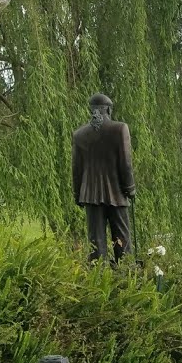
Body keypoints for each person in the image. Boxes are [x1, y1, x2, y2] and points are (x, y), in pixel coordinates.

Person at [72, 93, 136, 262]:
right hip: (117, 192)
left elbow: (77, 169)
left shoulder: (79, 134)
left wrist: (77, 194)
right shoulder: (120, 128)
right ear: (108, 109)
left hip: (90, 194)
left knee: (96, 239)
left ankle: (97, 273)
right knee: (122, 236)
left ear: (92, 110)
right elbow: (125, 162)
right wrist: (129, 187)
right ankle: (125, 271)